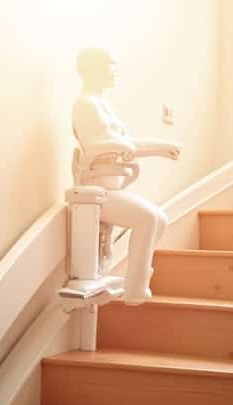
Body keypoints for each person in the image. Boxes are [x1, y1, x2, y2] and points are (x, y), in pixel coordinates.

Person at [71, 48, 180, 305]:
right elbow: (96, 145)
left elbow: (124, 143)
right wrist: (123, 147)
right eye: (109, 64)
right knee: (147, 218)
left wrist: (161, 147)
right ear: (91, 68)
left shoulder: (102, 105)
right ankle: (135, 287)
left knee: (160, 219)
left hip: (111, 188)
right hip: (94, 190)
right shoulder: (85, 104)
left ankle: (137, 279)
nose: (114, 70)